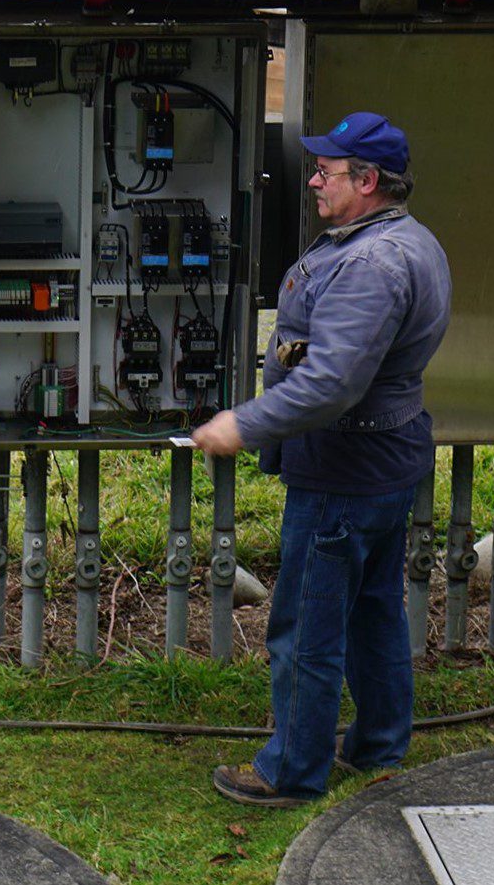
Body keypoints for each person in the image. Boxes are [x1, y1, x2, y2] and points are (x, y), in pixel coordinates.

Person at [192, 111, 452, 807]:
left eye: (326, 170)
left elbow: (331, 385)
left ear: (367, 181)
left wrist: (242, 424)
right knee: (373, 610)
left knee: (307, 624)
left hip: (344, 470)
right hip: (387, 459)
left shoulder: (370, 265)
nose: (312, 180)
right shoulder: (410, 240)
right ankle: (377, 742)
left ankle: (291, 769)